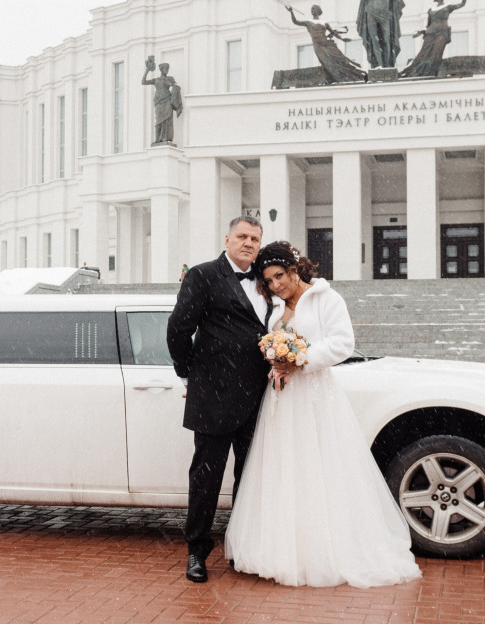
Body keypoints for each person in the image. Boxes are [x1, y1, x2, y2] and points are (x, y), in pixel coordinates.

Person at [224, 241, 421, 588]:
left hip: (316, 396)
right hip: (282, 401)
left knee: (321, 468)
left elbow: (343, 343)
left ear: (295, 268)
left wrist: (300, 359)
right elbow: (268, 342)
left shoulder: (327, 298)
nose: (276, 286)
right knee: (285, 469)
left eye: (279, 276)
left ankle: (326, 550)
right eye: (268, 281)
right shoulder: (274, 307)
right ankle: (281, 550)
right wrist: (274, 358)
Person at [167, 217, 272, 583]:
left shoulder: (266, 280)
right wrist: (188, 374)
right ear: (227, 238)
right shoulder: (202, 275)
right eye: (242, 236)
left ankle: (241, 546)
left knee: (250, 476)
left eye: (255, 239)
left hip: (260, 398)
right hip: (213, 397)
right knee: (206, 478)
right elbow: (178, 328)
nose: (248, 243)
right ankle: (196, 551)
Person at [331, 0, 423, 69]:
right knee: (375, 40)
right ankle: (379, 65)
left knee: (387, 40)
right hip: (371, 14)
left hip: (385, 15)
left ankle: (387, 65)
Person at [276, 0, 366, 84]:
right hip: (318, 45)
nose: (313, 10)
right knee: (326, 62)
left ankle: (347, 76)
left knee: (338, 59)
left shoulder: (324, 23)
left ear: (318, 11)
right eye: (312, 8)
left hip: (326, 44)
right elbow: (295, 22)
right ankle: (333, 76)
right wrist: (291, 12)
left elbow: (333, 32)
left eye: (314, 8)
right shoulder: (308, 22)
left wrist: (342, 39)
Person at [401, 0, 473, 79]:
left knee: (436, 53)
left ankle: (431, 72)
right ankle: (419, 71)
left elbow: (462, 4)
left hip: (442, 33)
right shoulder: (431, 10)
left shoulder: (448, 7)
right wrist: (422, 32)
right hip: (430, 34)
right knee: (423, 54)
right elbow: (428, 25)